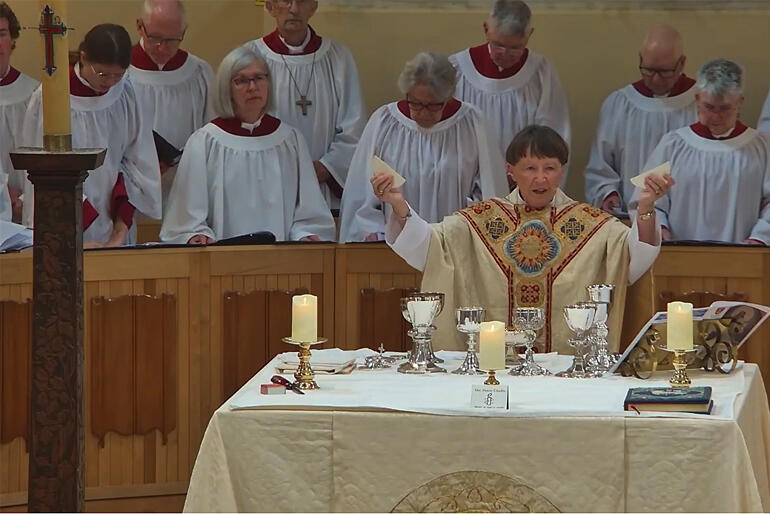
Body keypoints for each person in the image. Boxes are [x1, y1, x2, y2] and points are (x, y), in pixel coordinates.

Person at [376, 125, 673, 353]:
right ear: (511, 171)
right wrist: (399, 206)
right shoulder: (482, 219)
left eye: (550, 168)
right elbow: (428, 247)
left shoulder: (590, 224)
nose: (540, 179)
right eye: (530, 168)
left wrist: (645, 208)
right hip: (494, 363)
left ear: (562, 171)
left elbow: (633, 258)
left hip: (564, 367)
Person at [160, 46, 335, 244]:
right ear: (226, 89)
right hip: (223, 262)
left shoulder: (290, 140)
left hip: (283, 265)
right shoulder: (206, 141)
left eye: (259, 78)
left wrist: (305, 234)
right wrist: (195, 234)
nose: (252, 87)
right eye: (241, 80)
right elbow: (186, 218)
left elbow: (309, 213)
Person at [338, 52, 508, 242]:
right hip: (394, 247)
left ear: (448, 96)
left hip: (456, 246)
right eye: (416, 104)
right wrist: (373, 231)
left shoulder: (472, 123)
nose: (423, 114)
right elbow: (361, 193)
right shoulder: (384, 122)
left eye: (433, 105)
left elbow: (490, 193)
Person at [21, 24, 161, 247]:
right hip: (65, 228)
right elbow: (40, 170)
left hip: (116, 224)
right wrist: (78, 233)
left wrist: (120, 229)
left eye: (119, 74)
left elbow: (136, 162)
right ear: (84, 58)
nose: (110, 82)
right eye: (103, 73)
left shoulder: (126, 93)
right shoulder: (51, 97)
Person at [631, 59, 770, 244]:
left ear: (740, 102)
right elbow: (646, 198)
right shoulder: (673, 145)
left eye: (725, 108)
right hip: (681, 256)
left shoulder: (760, 147)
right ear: (697, 98)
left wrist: (760, 237)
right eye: (709, 107)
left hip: (743, 260)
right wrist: (660, 229)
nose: (716, 117)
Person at [244, 0, 365, 209]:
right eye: (286, 1)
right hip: (270, 183)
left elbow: (354, 127)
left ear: (314, 6)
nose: (294, 9)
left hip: (324, 185)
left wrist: (326, 167)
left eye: (302, 1)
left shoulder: (338, 57)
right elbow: (242, 123)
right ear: (270, 6)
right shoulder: (251, 57)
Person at [449, 0, 569, 185]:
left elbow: (553, 132)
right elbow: (449, 129)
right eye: (498, 45)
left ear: (529, 35)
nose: (505, 54)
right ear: (486, 29)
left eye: (515, 48)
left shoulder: (540, 72)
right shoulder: (457, 69)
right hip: (466, 180)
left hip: (524, 185)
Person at [585, 24, 697, 215]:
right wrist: (607, 194)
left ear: (682, 63)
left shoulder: (702, 103)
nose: (655, 79)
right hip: (632, 219)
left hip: (686, 220)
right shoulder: (619, 104)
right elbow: (601, 165)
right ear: (640, 60)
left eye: (664, 72)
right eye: (648, 70)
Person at [128, 0, 213, 210]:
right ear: (140, 26)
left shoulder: (199, 73)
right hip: (133, 188)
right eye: (155, 37)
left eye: (172, 39)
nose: (162, 47)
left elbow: (212, 131)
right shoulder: (120, 73)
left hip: (184, 187)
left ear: (183, 31)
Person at [0, 1, 38, 222]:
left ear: (12, 38)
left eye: (1, 34)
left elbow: (41, 156)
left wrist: (24, 197)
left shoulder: (32, 93)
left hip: (24, 207)